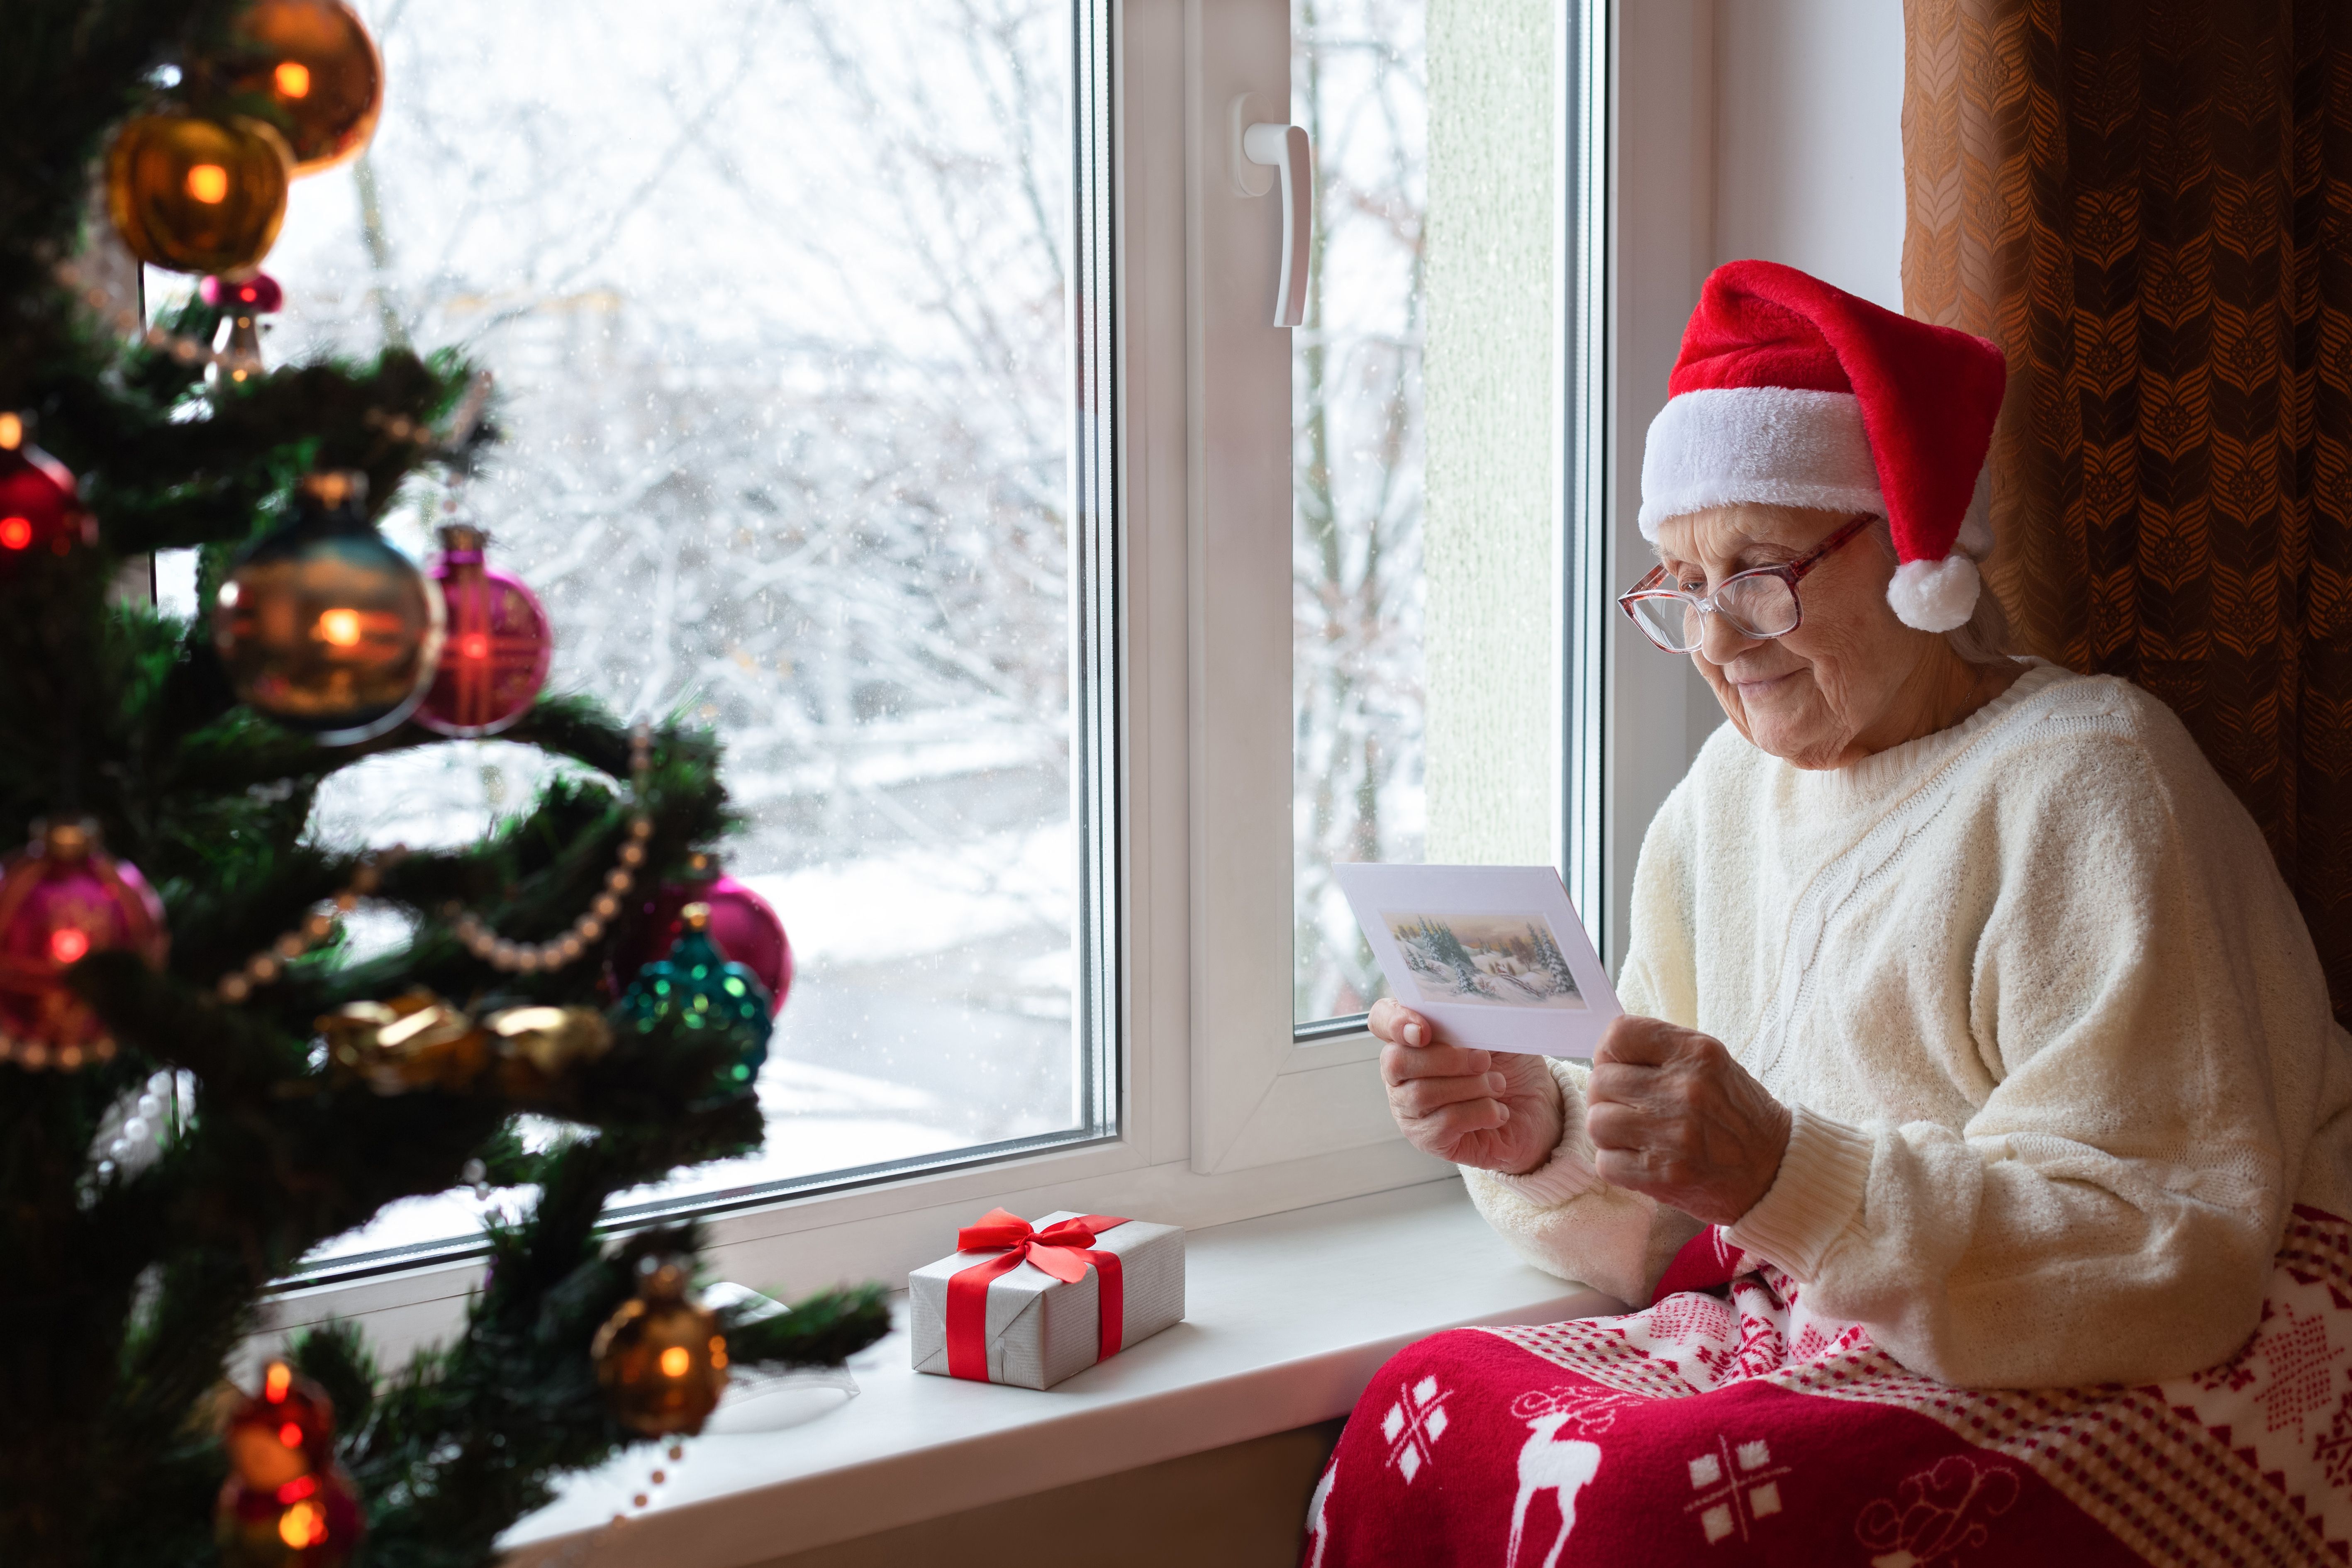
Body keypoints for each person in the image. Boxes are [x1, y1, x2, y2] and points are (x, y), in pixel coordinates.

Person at [1302, 261, 2352, 1568]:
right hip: (1831, 1321)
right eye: (1681, 586)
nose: (1718, 640)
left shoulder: (2095, 777)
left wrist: (1780, 1172)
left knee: (1656, 1517)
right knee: (1425, 1401)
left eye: (1758, 574)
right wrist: (1545, 1133)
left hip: (2154, 1354)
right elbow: (1689, 1210)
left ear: (1910, 561)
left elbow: (2169, 1257)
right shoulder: (1722, 800)